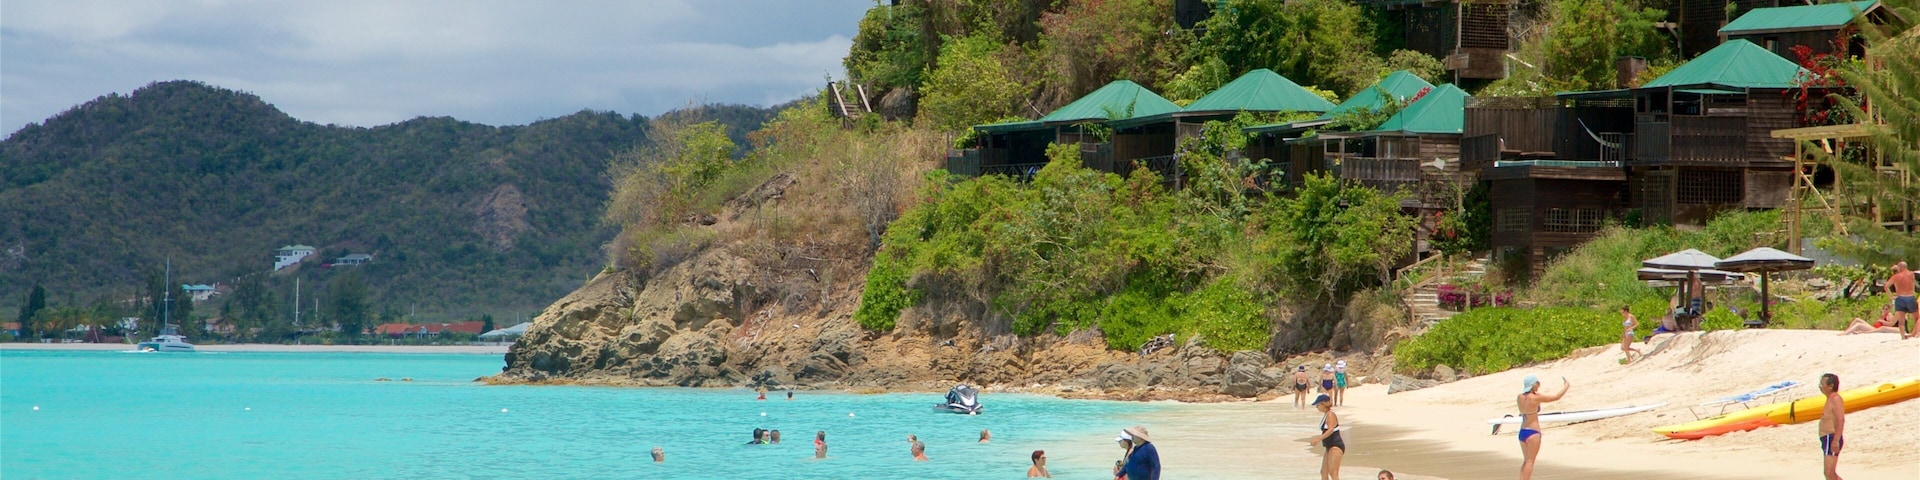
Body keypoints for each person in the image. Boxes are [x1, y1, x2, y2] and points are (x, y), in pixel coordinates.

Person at [1516, 375, 1570, 480]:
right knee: (1530, 461)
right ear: (1534, 384)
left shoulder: (1520, 397)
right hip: (1533, 432)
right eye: (1538, 383)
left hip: (1522, 431)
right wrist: (1566, 386)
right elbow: (1556, 397)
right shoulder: (1536, 398)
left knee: (1526, 460)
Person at [1308, 394, 1345, 480]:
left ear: (1323, 404)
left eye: (1318, 405)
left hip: (1335, 446)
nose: (1317, 407)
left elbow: (1330, 430)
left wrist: (1318, 439)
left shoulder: (1330, 414)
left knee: (1333, 473)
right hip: (1329, 446)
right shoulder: (1327, 414)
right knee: (1323, 472)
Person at [1818, 373, 1845, 479]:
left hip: (1832, 437)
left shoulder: (1835, 399)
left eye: (1822, 383)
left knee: (1829, 473)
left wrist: (1836, 440)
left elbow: (1840, 420)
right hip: (1827, 439)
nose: (1820, 386)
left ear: (1831, 386)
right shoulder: (1829, 399)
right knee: (1828, 473)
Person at [1889, 261, 1915, 339]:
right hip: (1909, 296)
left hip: (1900, 297)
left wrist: (1891, 297)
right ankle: (1914, 334)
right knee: (1916, 317)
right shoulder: (1910, 274)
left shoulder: (1896, 277)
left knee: (1901, 319)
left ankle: (1904, 336)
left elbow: (1886, 286)